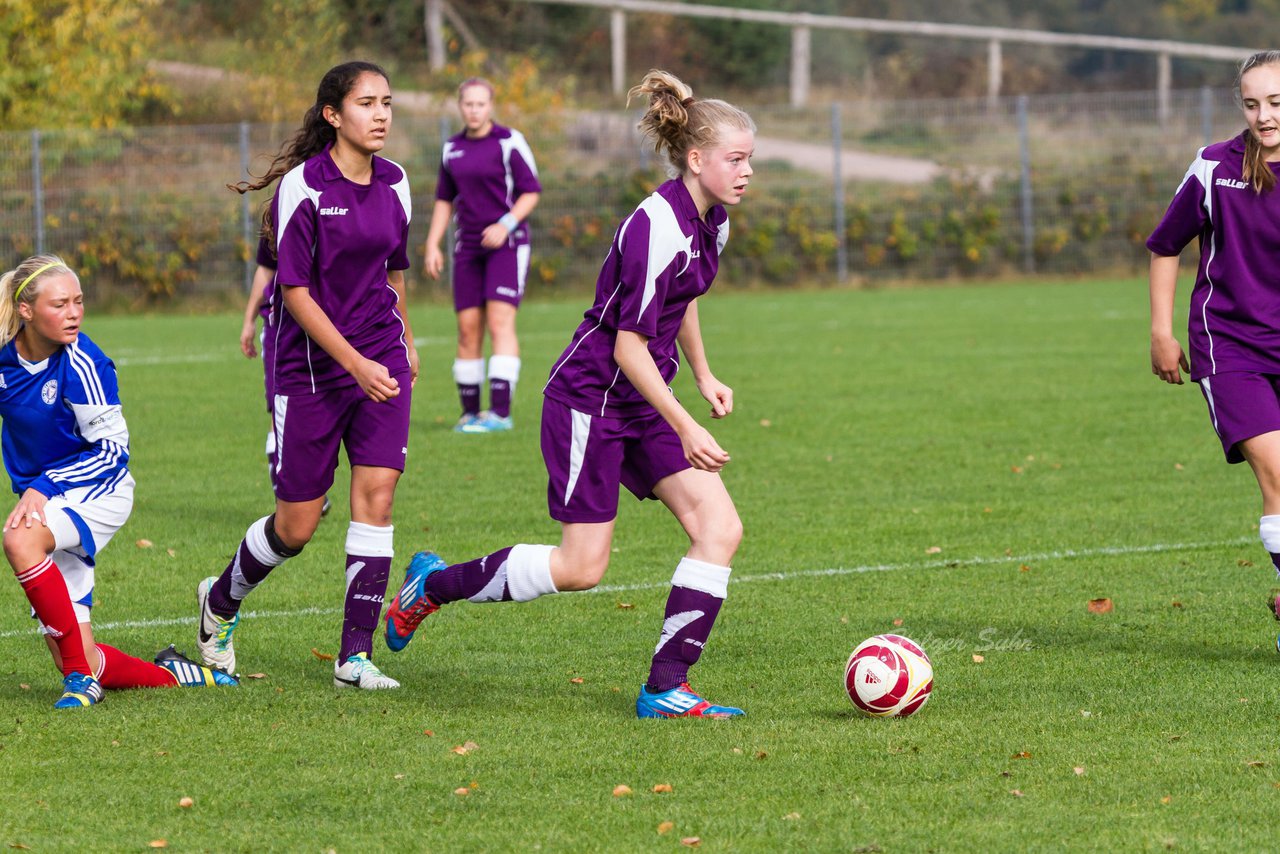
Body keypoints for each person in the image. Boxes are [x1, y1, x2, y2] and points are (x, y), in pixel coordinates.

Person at [386, 70, 754, 718]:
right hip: (591, 400)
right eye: (736, 159)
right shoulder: (657, 226)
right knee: (582, 567)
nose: (748, 171)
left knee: (719, 528)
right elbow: (627, 346)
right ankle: (432, 586)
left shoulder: (711, 222)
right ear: (697, 160)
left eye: (751, 159)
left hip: (641, 399)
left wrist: (702, 374)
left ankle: (666, 687)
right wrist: (687, 424)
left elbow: (682, 298)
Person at [207, 60, 418, 689]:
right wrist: (353, 363)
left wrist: (404, 341)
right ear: (333, 115)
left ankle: (355, 657)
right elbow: (293, 292)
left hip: (379, 360)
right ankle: (219, 603)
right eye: (366, 103)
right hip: (311, 372)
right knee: (296, 526)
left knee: (376, 499)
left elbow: (394, 273)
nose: (380, 114)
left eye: (387, 102)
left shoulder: (398, 183)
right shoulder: (302, 188)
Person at [0, 255, 237, 708]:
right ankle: (178, 676)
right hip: (49, 500)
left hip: (99, 491)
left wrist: (42, 487)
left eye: (78, 302)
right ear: (26, 310)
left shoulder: (83, 361)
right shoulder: (5, 362)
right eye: (60, 304)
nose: (74, 313)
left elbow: (112, 452)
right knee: (81, 654)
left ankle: (79, 682)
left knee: (20, 539)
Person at [1148, 49, 1280, 648]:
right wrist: (1161, 331)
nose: (1265, 116)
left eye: (1276, 103)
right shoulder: (1212, 167)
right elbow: (1167, 245)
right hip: (1229, 347)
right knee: (1279, 477)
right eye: (1253, 104)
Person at [423, 78, 541, 433]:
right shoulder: (451, 148)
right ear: (461, 107)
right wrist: (432, 243)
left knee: (500, 323)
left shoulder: (509, 141)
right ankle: (470, 413)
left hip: (508, 244)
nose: (474, 110)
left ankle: (500, 413)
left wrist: (505, 224)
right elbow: (445, 200)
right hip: (468, 248)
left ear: (491, 106)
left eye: (480, 104)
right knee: (466, 329)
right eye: (468, 104)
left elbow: (530, 192)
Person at [238, 242, 331, 515]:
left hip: (330, 321)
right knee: (283, 406)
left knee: (322, 407)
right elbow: (266, 269)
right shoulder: (284, 207)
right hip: (282, 325)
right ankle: (287, 491)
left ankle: (307, 489)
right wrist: (249, 320)